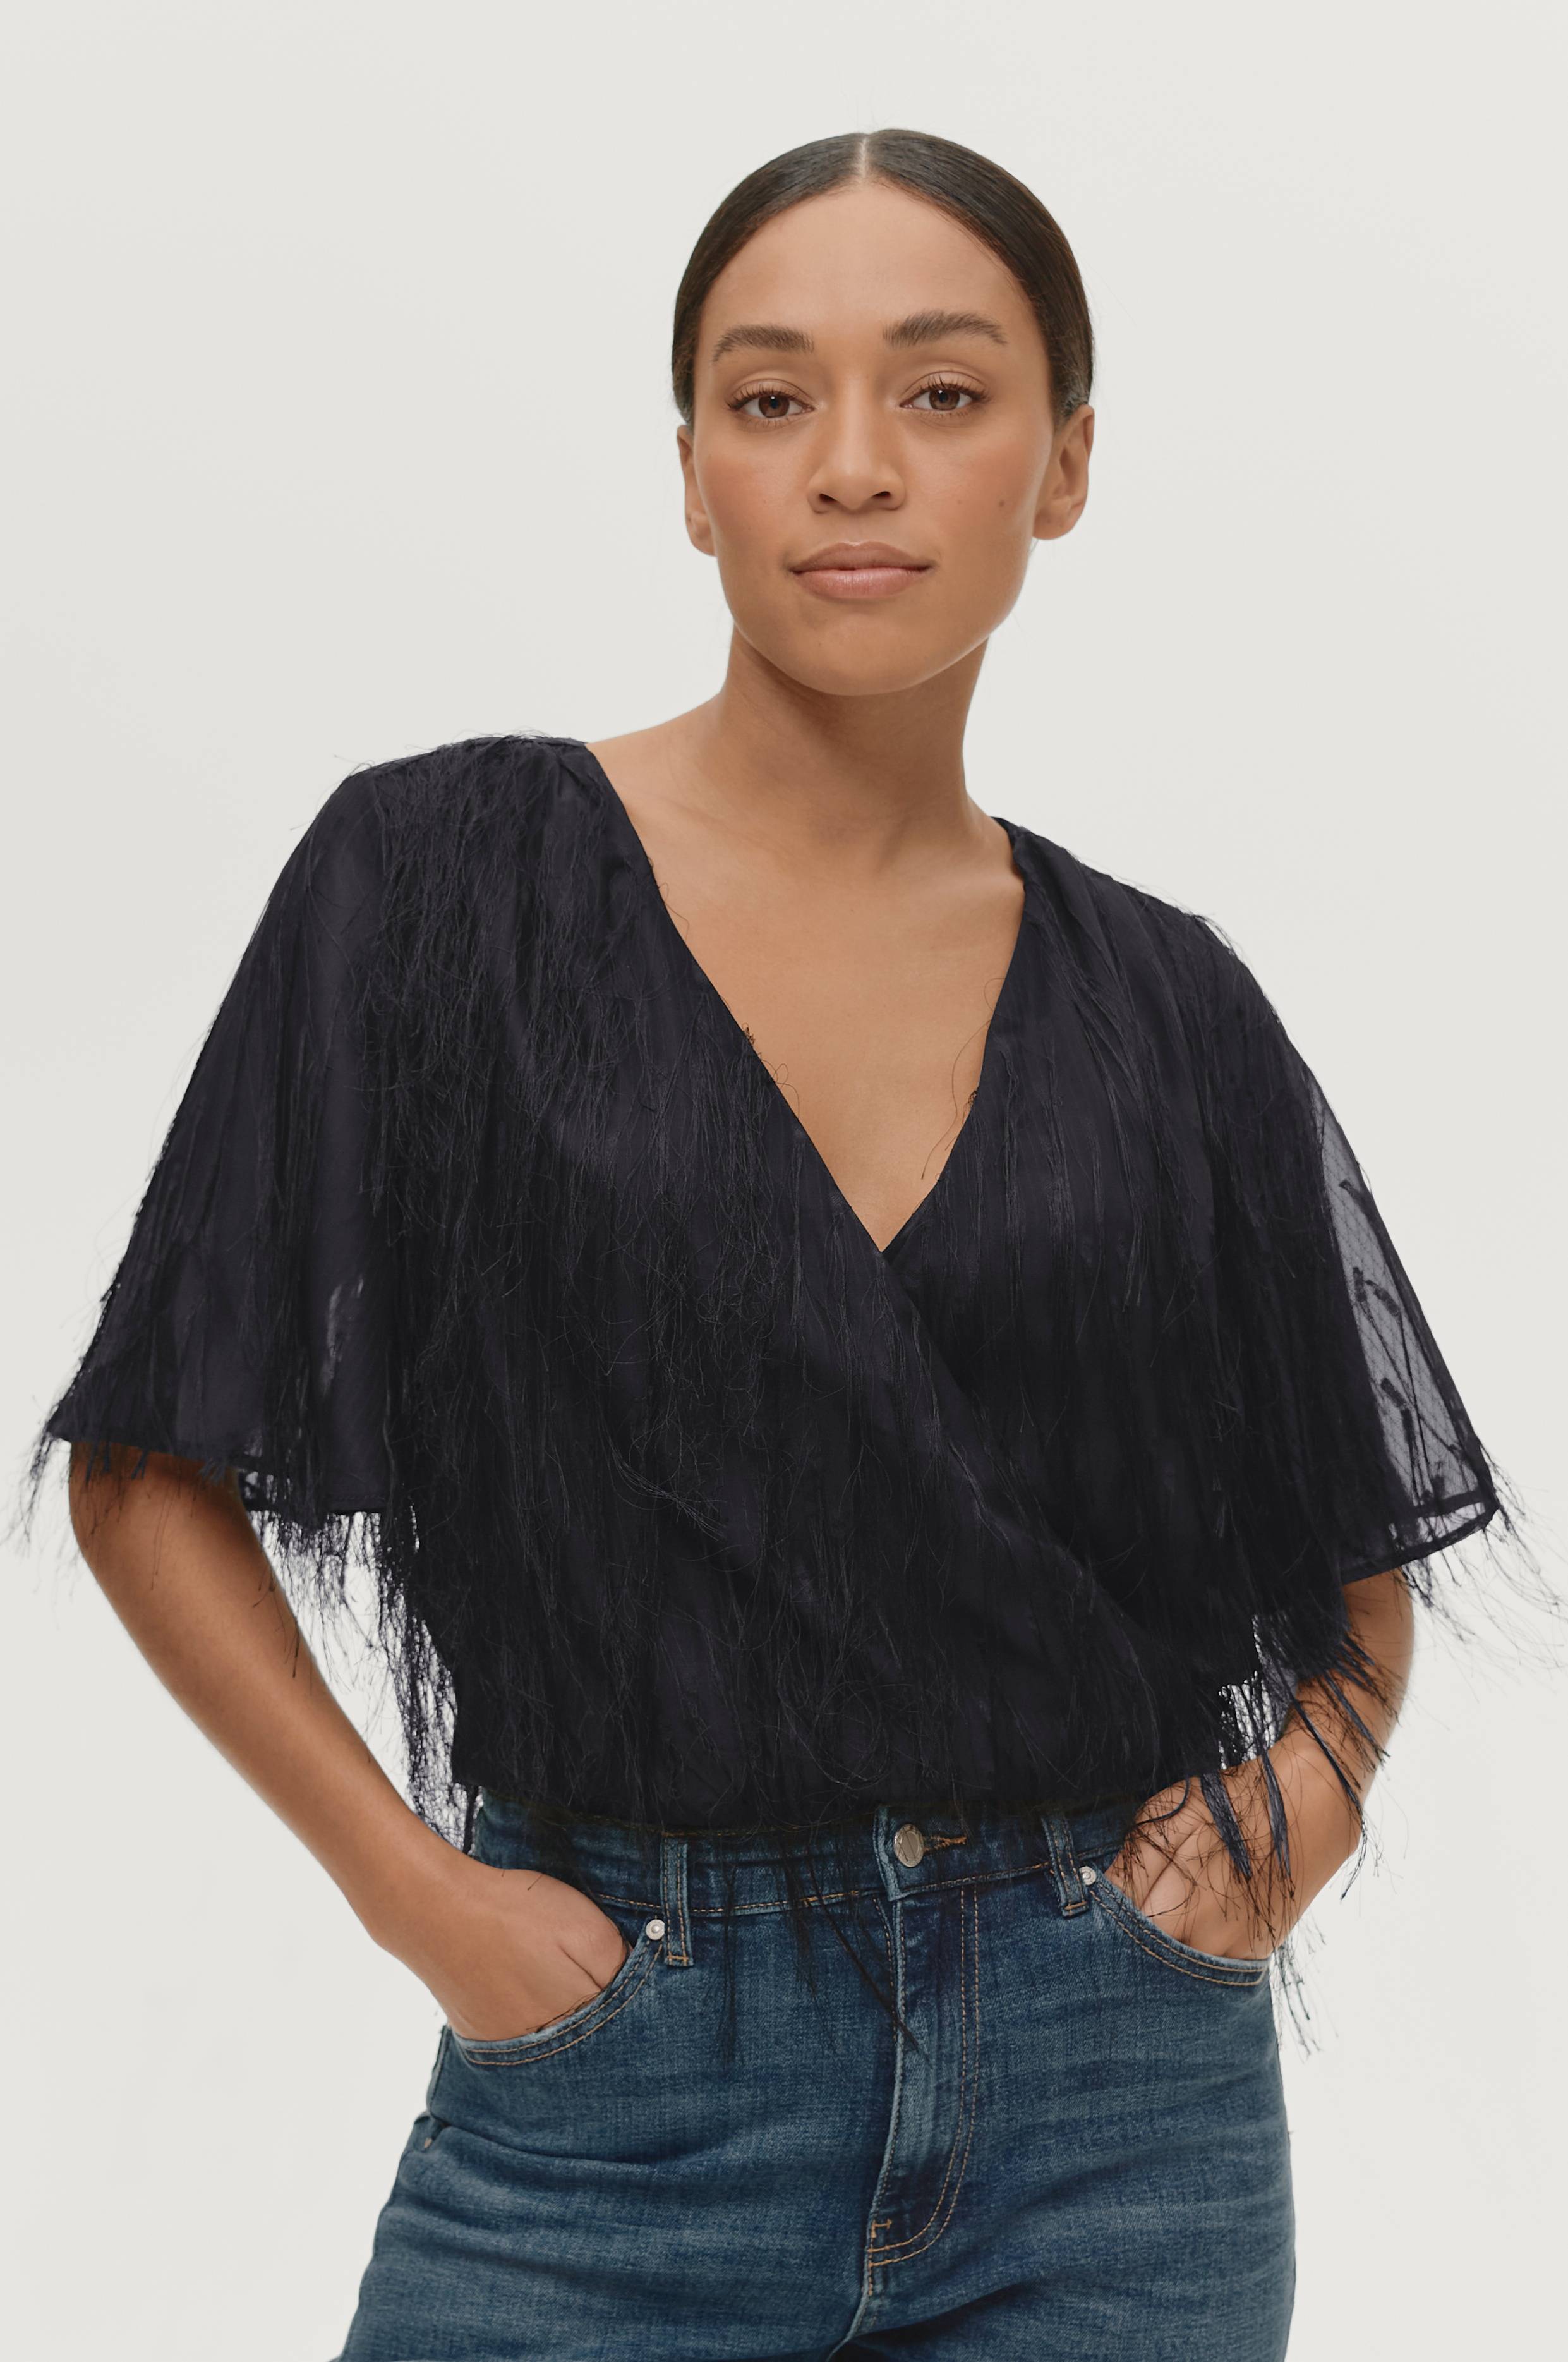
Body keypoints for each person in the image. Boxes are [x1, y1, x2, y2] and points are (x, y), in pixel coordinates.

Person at [26, 128, 1547, 2361]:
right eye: (768, 397)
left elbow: (1353, 1547)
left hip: (1117, 2107)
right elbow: (150, 1466)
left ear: (1064, 463)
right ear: (689, 473)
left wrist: (1287, 1822)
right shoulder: (442, 878)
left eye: (941, 392)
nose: (852, 464)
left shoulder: (1166, 999)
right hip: (613, 2073)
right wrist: (420, 1899)